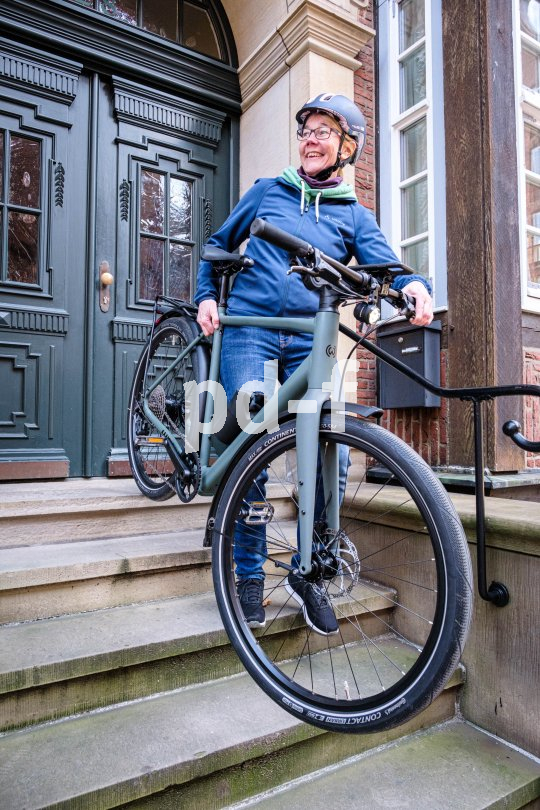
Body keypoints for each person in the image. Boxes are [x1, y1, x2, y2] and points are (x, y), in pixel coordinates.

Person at [195, 92, 433, 634]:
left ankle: (311, 571)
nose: (311, 138)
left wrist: (414, 284)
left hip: (309, 337)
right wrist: (208, 295)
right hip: (251, 328)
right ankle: (249, 573)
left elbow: (388, 265)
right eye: (306, 130)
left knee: (331, 446)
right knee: (252, 436)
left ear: (347, 147)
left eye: (324, 130)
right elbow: (216, 244)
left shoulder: (353, 214)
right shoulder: (265, 193)